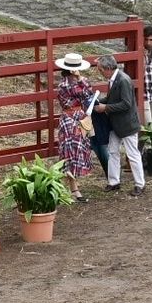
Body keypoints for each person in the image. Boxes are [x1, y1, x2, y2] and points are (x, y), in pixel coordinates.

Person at [93, 54, 144, 195]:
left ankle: (140, 184)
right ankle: (113, 181)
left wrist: (105, 107)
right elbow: (112, 99)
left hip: (127, 124)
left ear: (108, 68)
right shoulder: (115, 79)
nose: (100, 73)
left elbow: (126, 104)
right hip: (117, 124)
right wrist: (98, 102)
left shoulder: (123, 81)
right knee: (113, 152)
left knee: (133, 154)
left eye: (101, 70)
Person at [54, 53, 96, 202]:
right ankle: (73, 189)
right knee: (70, 153)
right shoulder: (64, 85)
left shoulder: (77, 82)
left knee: (77, 151)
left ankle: (71, 188)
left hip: (78, 118)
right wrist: (80, 80)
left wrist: (79, 80)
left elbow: (88, 94)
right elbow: (85, 93)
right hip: (71, 120)